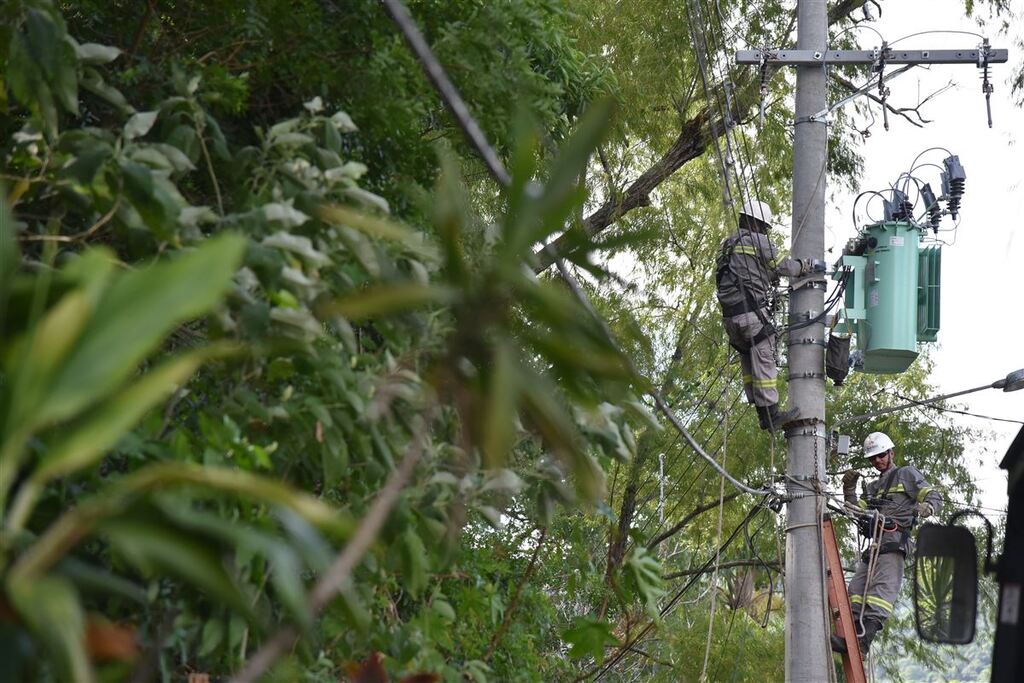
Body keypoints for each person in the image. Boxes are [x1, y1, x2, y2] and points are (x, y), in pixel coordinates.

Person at [832, 431, 943, 656]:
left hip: (894, 542)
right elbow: (854, 511)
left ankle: (862, 645)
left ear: (891, 453)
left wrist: (928, 507)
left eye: (881, 455)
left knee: (879, 594)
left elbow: (933, 495)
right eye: (873, 458)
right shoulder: (873, 488)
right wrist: (849, 490)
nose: (877, 461)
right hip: (874, 546)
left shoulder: (906, 474)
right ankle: (851, 640)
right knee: (855, 591)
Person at [715, 199, 821, 431]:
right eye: (763, 227)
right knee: (764, 355)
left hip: (730, 320)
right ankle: (770, 415)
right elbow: (785, 266)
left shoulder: (727, 244)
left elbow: (743, 270)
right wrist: (806, 266)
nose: (764, 232)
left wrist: (766, 276)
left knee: (748, 357)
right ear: (755, 223)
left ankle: (760, 409)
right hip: (750, 315)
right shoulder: (759, 241)